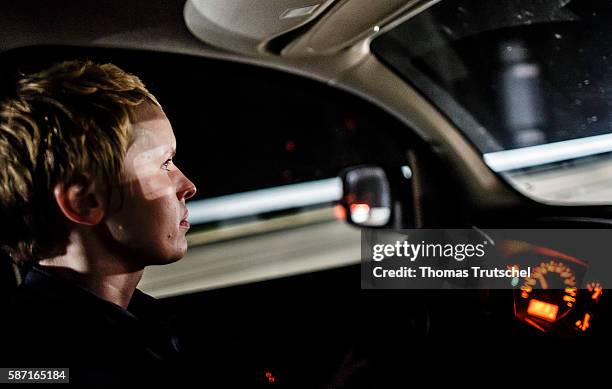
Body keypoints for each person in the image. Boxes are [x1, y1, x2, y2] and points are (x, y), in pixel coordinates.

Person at [0, 60, 197, 384]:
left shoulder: (138, 326)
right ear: (85, 202)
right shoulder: (47, 366)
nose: (188, 186)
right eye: (164, 164)